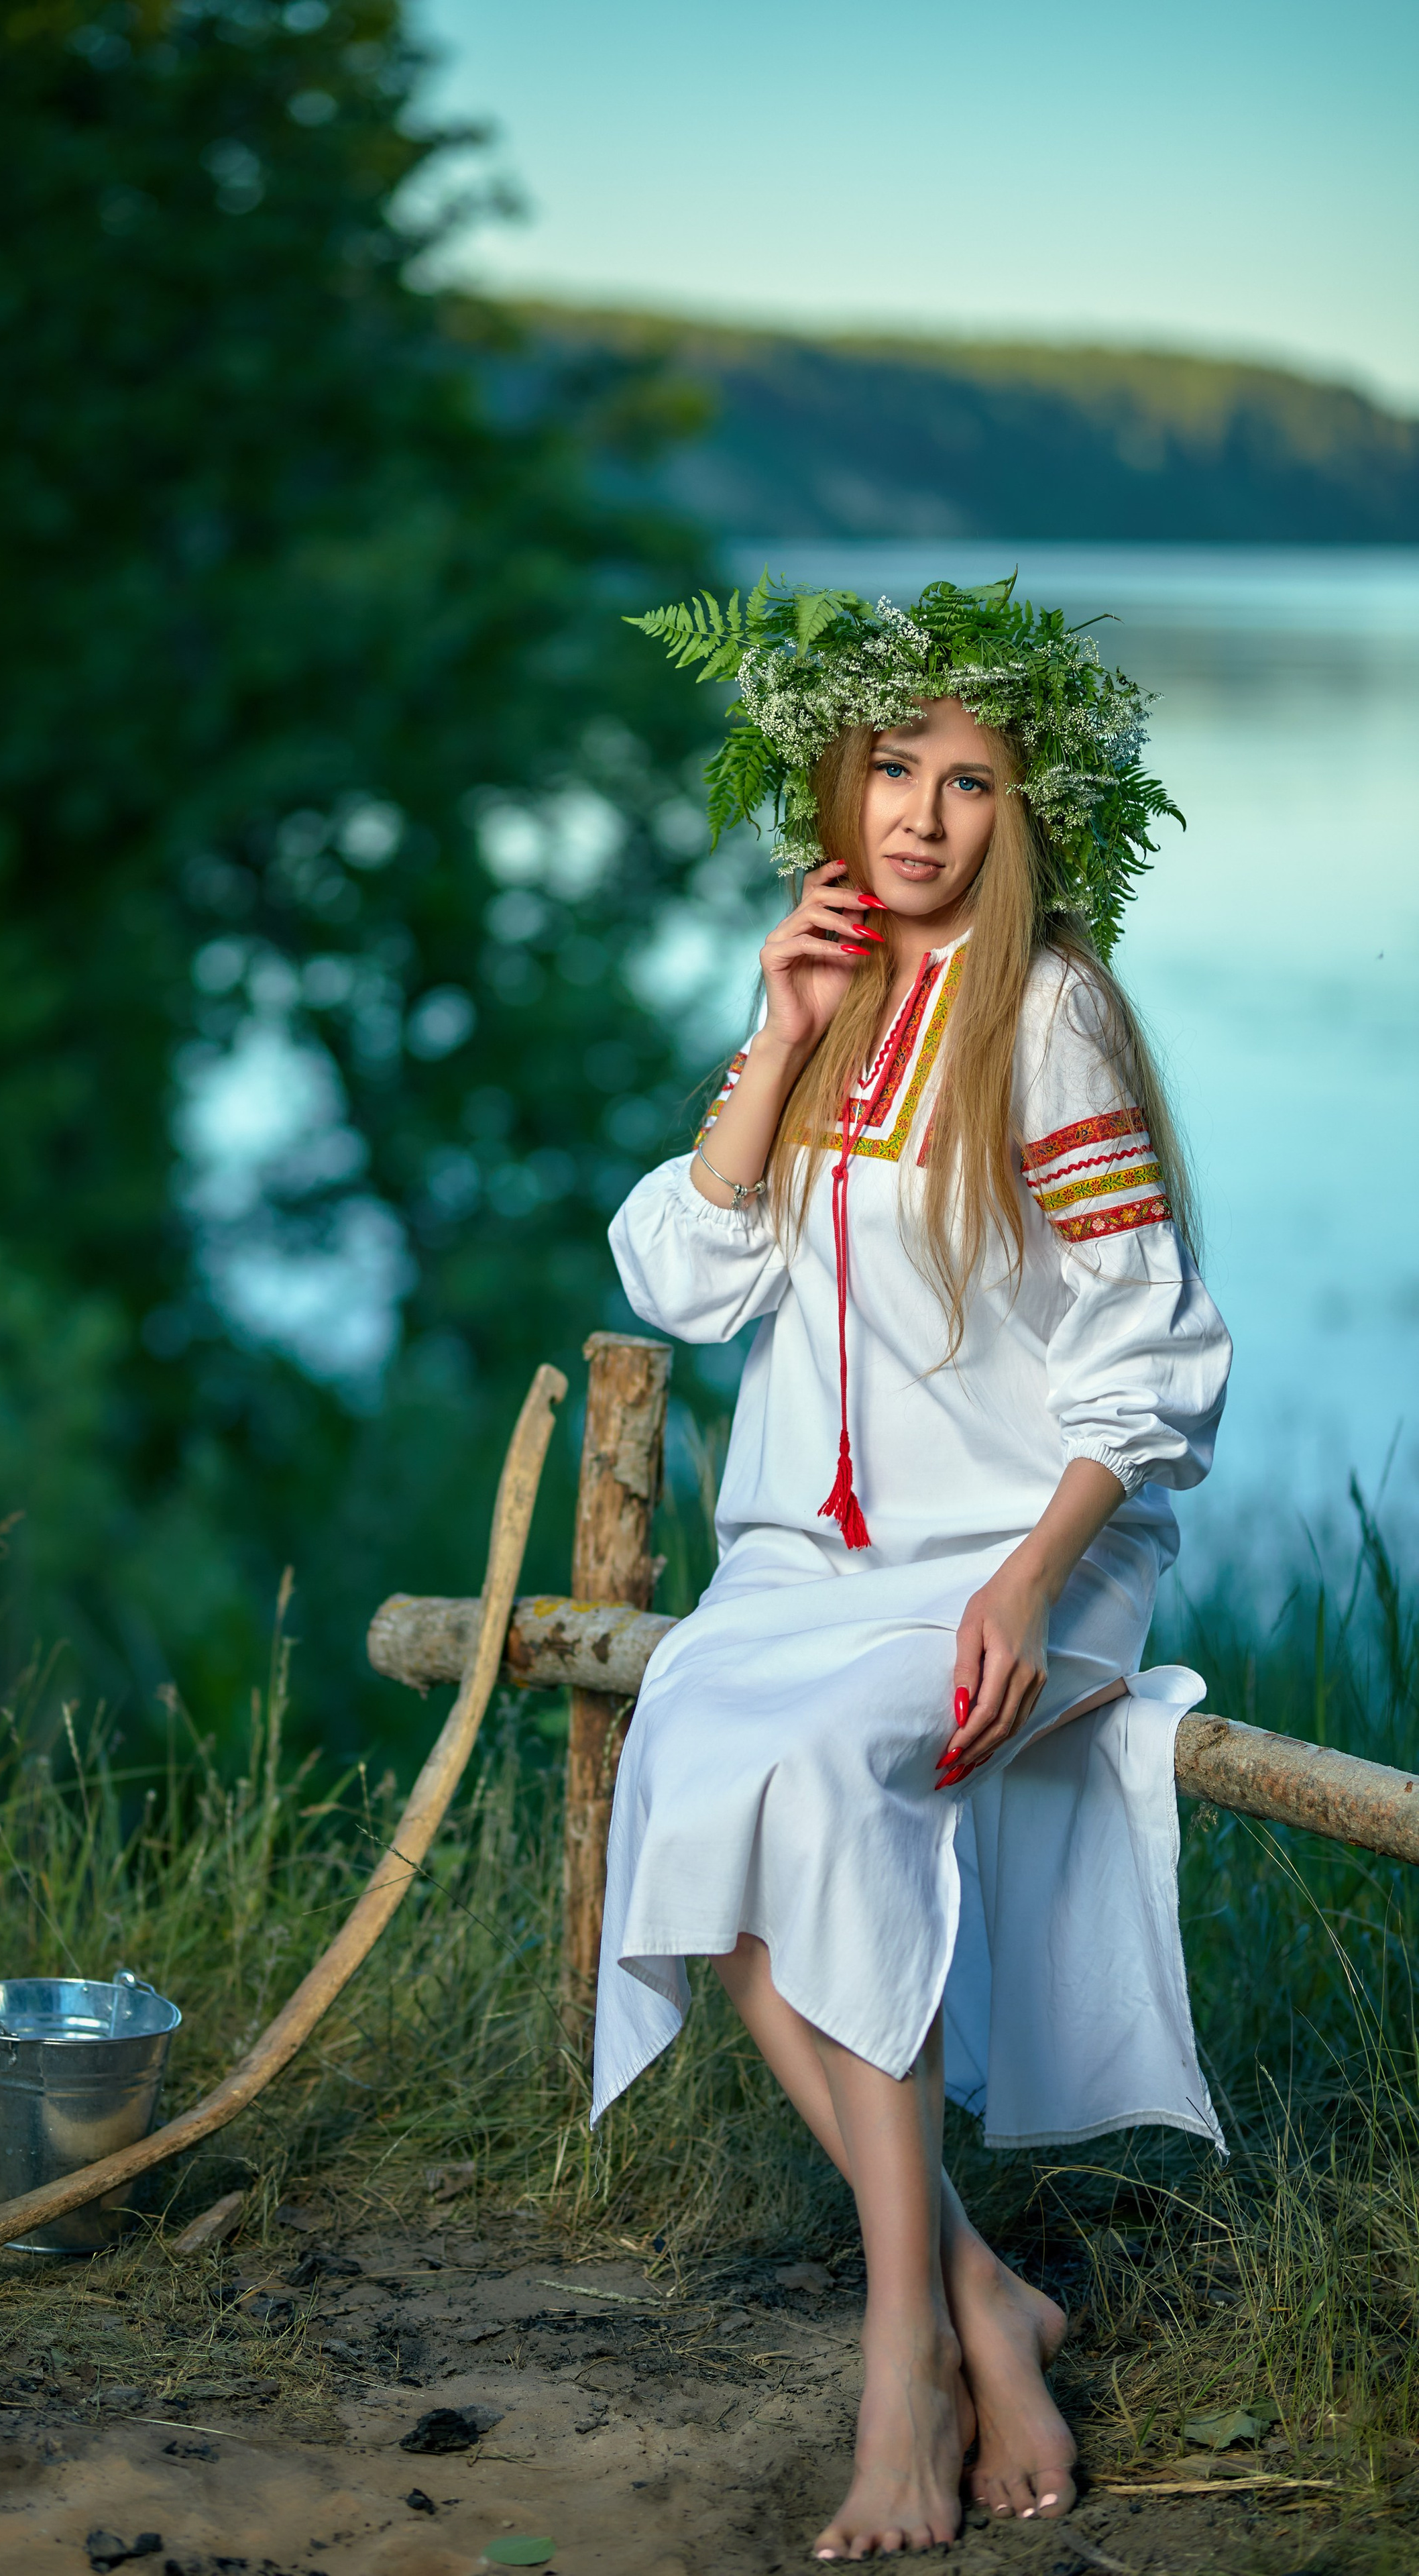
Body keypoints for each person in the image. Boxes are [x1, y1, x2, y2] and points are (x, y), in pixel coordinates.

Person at [598, 580, 1233, 2560]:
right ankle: (981, 2289)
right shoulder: (834, 992)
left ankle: (908, 2355)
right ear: (838, 780)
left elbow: (1156, 1354)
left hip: (1014, 1557)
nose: (926, 819)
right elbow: (682, 1281)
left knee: (808, 1787)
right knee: (699, 1782)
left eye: (971, 784)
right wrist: (777, 1036)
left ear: (1022, 818)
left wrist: (1033, 1585)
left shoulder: (1053, 1013)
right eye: (895, 769)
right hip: (801, 1566)